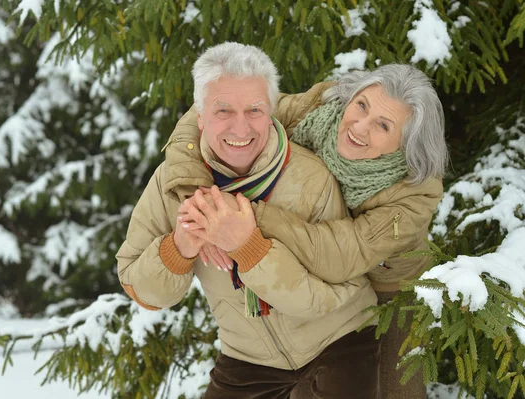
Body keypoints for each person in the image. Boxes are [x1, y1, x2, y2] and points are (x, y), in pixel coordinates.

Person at [116, 42, 380, 398]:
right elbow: (140, 290)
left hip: (340, 338)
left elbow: (335, 294)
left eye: (254, 110)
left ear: (271, 110)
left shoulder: (310, 177)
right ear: (199, 115)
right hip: (248, 358)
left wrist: (249, 248)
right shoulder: (174, 185)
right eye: (223, 110)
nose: (241, 129)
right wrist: (181, 246)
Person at [169, 63, 447, 399]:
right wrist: (200, 198)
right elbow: (205, 114)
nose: (359, 126)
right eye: (361, 105)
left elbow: (344, 254)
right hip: (303, 265)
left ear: (405, 142)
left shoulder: (416, 191)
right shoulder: (313, 109)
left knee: (394, 390)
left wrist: (245, 216)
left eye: (383, 125)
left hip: (387, 288)